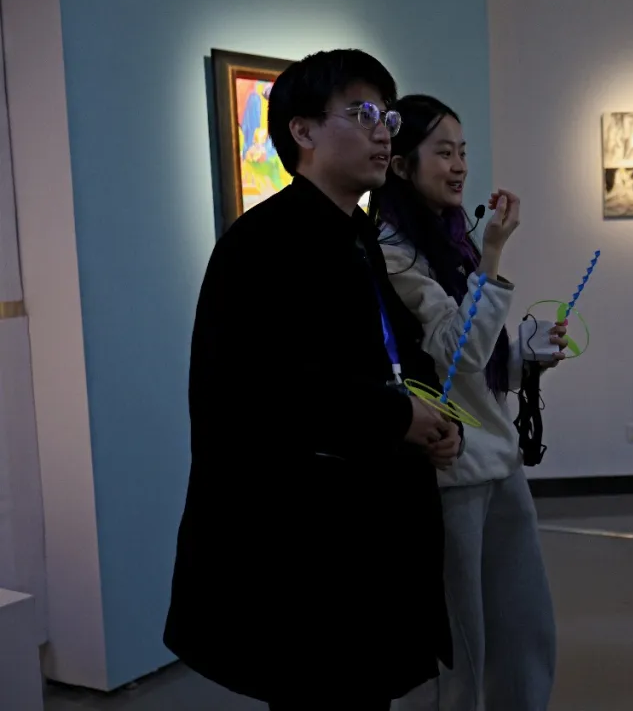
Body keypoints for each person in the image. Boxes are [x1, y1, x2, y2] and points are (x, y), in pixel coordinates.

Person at [163, 50, 462, 710]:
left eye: (387, 117)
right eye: (363, 113)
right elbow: (265, 390)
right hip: (303, 542)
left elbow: (395, 350)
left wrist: (438, 419)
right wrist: (398, 417)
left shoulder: (355, 234)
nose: (384, 132)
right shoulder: (263, 244)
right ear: (302, 131)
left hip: (366, 527)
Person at [371, 95, 564, 711]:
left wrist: (526, 352)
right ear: (401, 165)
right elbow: (459, 352)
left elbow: (473, 366)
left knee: (524, 633)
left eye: (462, 152)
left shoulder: (449, 240)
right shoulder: (391, 251)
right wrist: (495, 257)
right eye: (443, 153)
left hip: (498, 461)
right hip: (448, 474)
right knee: (460, 651)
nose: (458, 166)